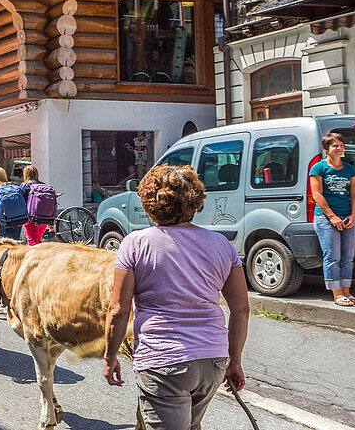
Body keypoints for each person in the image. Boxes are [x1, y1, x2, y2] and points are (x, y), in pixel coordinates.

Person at [104, 165, 249, 430]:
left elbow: (118, 310)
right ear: (195, 200)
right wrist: (234, 361)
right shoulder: (222, 245)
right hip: (212, 361)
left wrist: (110, 357)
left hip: (163, 361)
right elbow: (241, 310)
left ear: (149, 202)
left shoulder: (135, 243)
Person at [310, 132, 355, 306]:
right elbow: (317, 194)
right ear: (326, 149)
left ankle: (347, 291)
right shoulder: (319, 168)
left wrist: (353, 216)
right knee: (332, 257)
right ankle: (337, 294)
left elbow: (354, 194)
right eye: (335, 146)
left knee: (348, 257)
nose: (339, 148)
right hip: (325, 218)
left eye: (342, 145)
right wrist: (332, 217)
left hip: (346, 217)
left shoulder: (349, 169)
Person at [19, 165, 53, 246]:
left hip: (31, 219)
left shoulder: (24, 186)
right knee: (38, 240)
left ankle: (37, 257)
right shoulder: (44, 186)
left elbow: (22, 202)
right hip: (44, 218)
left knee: (32, 242)